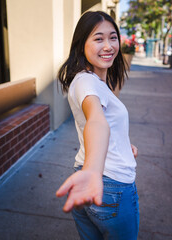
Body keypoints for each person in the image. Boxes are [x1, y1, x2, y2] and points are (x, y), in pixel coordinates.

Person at [56, 11, 139, 240]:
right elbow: (96, 121)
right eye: (98, 38)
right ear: (81, 44)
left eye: (113, 37)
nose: (108, 45)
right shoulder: (85, 82)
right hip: (109, 185)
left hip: (87, 175)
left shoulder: (93, 81)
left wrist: (123, 145)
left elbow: (105, 124)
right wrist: (93, 171)